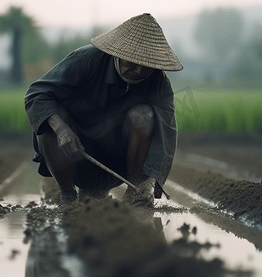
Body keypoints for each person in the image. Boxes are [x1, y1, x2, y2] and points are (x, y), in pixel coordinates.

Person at [24, 13, 182, 208]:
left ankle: (133, 194)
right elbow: (36, 94)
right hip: (75, 153)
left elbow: (167, 133)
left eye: (146, 65)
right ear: (118, 53)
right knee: (52, 119)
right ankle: (67, 196)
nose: (139, 71)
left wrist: (148, 184)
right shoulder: (85, 60)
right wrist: (61, 129)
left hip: (120, 162)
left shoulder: (158, 81)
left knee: (144, 116)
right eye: (132, 61)